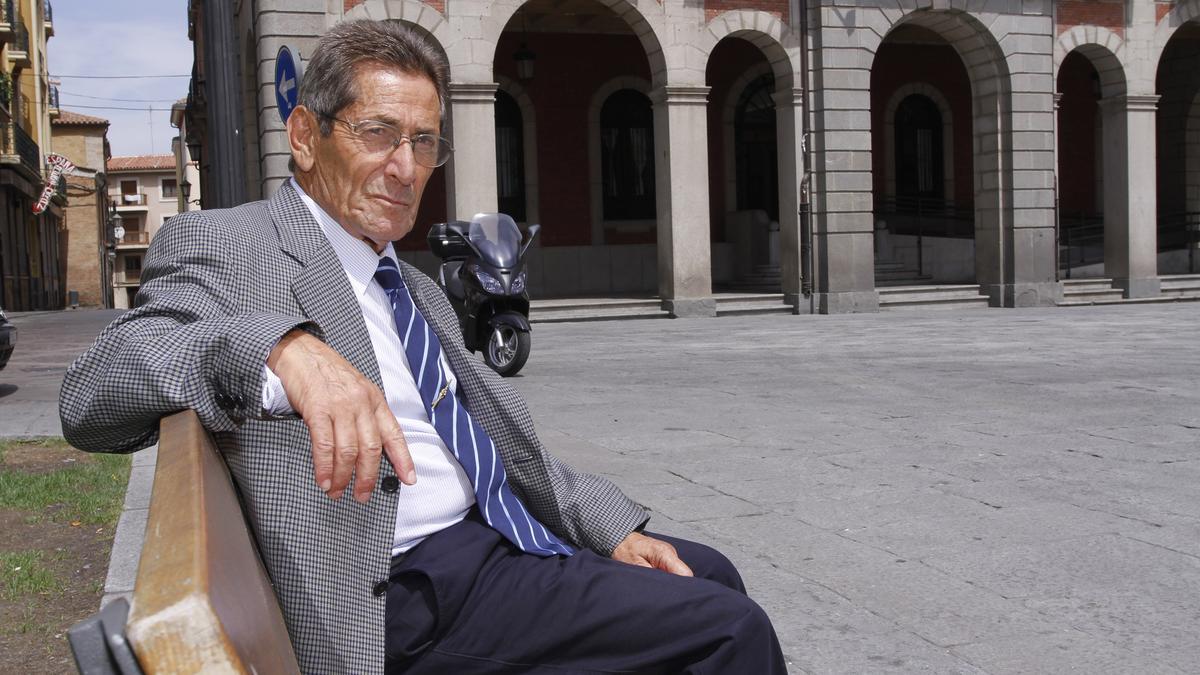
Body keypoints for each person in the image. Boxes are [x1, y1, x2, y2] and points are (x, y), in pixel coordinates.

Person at [60, 19, 785, 674]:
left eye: (424, 142)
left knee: (710, 573)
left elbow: (498, 443)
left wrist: (609, 529)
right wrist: (278, 350)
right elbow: (91, 395)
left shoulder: (414, 284)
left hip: (490, 544)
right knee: (728, 632)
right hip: (403, 590)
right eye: (377, 133)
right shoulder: (228, 244)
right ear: (307, 136)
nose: (405, 168)